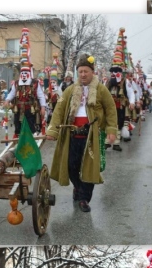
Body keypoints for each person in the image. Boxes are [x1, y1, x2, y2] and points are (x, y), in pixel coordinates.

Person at [46, 53, 118, 213]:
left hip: (91, 135)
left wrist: (111, 130)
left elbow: (111, 109)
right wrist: (52, 130)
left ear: (92, 72)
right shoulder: (70, 90)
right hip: (72, 134)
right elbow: (59, 109)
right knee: (71, 166)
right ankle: (77, 188)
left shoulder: (101, 89)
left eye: (86, 71)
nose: (83, 74)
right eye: (81, 71)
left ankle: (84, 198)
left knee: (89, 168)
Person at [4, 31, 47, 137]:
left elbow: (41, 96)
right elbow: (12, 93)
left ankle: (31, 140)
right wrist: (7, 100)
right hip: (18, 109)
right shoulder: (16, 83)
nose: (23, 75)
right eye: (22, 73)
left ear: (29, 73)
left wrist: (43, 107)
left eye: (25, 73)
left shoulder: (35, 83)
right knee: (17, 126)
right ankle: (18, 141)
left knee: (31, 126)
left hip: (31, 109)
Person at [107, 29, 135, 152]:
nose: (114, 74)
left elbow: (131, 93)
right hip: (109, 107)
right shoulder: (108, 82)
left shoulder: (125, 82)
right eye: (112, 72)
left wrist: (133, 102)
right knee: (109, 124)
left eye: (116, 72)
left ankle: (117, 143)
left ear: (120, 72)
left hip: (120, 106)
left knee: (118, 123)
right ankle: (107, 142)